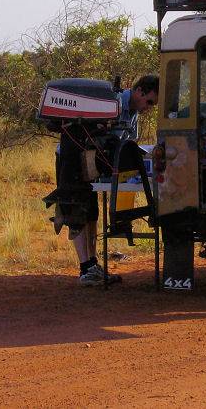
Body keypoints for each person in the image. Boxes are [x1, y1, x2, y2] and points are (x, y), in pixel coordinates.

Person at [75, 74, 158, 286]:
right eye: (149, 101)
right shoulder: (114, 103)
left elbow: (129, 143)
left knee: (92, 214)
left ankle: (92, 265)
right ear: (139, 91)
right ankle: (86, 268)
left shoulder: (134, 114)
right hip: (80, 160)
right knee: (79, 213)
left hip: (101, 166)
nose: (148, 107)